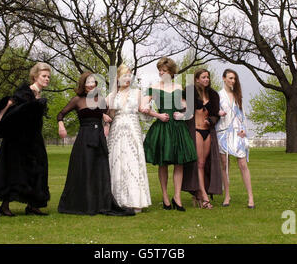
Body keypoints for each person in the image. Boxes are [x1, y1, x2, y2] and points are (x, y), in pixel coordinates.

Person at [0, 62, 51, 216]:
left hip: (34, 140)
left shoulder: (38, 95)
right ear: (35, 76)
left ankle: (33, 205)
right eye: (44, 76)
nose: (47, 79)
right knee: (13, 171)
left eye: (48, 76)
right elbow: (8, 105)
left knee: (38, 170)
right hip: (17, 140)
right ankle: (4, 206)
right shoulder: (25, 93)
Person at [56, 72, 135, 216]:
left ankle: (101, 203)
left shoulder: (101, 99)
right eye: (88, 82)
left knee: (100, 171)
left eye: (93, 82)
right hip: (84, 137)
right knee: (84, 169)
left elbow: (109, 116)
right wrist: (61, 125)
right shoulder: (77, 100)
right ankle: (85, 204)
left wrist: (106, 118)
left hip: (99, 138)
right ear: (83, 85)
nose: (91, 84)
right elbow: (60, 114)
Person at [143, 57, 197, 211]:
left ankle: (177, 197)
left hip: (178, 128)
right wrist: (157, 115)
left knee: (179, 163)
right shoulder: (153, 87)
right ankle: (165, 196)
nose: (161, 72)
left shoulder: (179, 87)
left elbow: (189, 110)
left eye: (164, 70)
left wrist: (182, 115)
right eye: (159, 70)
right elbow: (142, 107)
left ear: (171, 72)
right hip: (163, 127)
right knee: (163, 163)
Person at [106, 64, 152, 213]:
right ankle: (118, 201)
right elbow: (108, 115)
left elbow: (144, 113)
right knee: (117, 161)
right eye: (124, 75)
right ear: (118, 77)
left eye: (129, 75)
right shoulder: (112, 95)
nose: (127, 78)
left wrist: (148, 110)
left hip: (133, 128)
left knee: (133, 161)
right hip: (117, 129)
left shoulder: (137, 93)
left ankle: (136, 200)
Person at [182, 69, 223, 209]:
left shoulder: (213, 94)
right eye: (203, 77)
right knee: (198, 163)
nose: (206, 79)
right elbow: (181, 106)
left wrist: (211, 120)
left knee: (205, 163)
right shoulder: (190, 92)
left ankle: (198, 194)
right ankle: (204, 197)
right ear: (197, 79)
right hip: (196, 130)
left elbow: (216, 114)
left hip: (208, 131)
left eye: (208, 77)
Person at [217, 69, 255, 209]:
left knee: (243, 164)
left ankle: (250, 197)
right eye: (230, 78)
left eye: (234, 79)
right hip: (222, 133)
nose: (232, 81)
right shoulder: (218, 95)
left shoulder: (238, 95)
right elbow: (213, 111)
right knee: (225, 165)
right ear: (224, 78)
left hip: (238, 134)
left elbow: (242, 114)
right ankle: (227, 195)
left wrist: (244, 129)